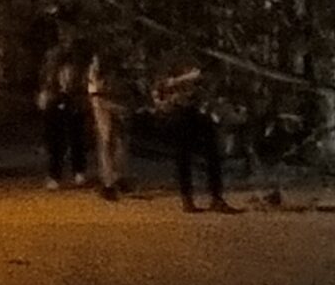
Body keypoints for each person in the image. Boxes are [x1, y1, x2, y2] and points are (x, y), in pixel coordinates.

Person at [152, 58, 233, 211]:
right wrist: (186, 78)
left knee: (213, 154)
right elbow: (162, 85)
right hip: (179, 113)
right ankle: (187, 199)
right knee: (183, 157)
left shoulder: (200, 64)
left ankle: (216, 197)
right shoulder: (172, 62)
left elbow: (206, 91)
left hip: (198, 112)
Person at [36, 30, 89, 189]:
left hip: (73, 99)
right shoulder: (54, 57)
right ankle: (56, 174)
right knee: (57, 139)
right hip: (57, 98)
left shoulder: (78, 59)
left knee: (75, 137)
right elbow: (45, 77)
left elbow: (82, 79)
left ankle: (77, 171)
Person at [87, 49, 136, 199]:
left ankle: (113, 179)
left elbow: (96, 91)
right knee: (111, 143)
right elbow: (96, 92)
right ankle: (112, 180)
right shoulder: (105, 68)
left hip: (109, 103)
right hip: (107, 103)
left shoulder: (105, 69)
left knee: (114, 143)